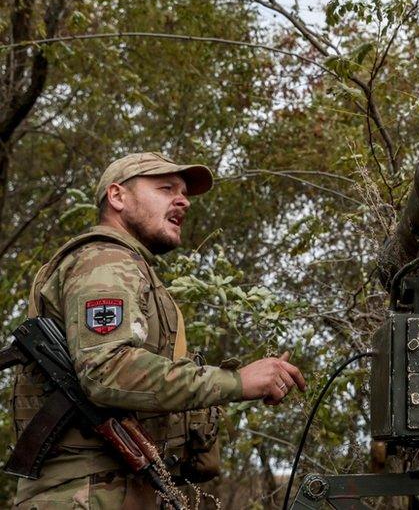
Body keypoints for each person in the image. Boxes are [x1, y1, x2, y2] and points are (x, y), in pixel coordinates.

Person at [12, 152, 307, 508]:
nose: (182, 200)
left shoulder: (131, 271)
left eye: (183, 192)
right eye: (166, 188)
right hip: (86, 494)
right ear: (117, 197)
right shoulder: (104, 261)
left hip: (114, 490)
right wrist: (238, 382)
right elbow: (108, 371)